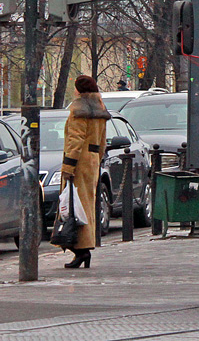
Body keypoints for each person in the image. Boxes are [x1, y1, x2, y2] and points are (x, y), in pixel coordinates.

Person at [60, 75, 110, 269]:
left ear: (79, 90)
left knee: (74, 205)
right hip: (93, 160)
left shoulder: (78, 110)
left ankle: (80, 249)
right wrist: (96, 159)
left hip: (79, 162)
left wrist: (68, 167)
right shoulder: (100, 109)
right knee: (86, 205)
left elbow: (75, 140)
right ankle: (84, 249)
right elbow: (103, 141)